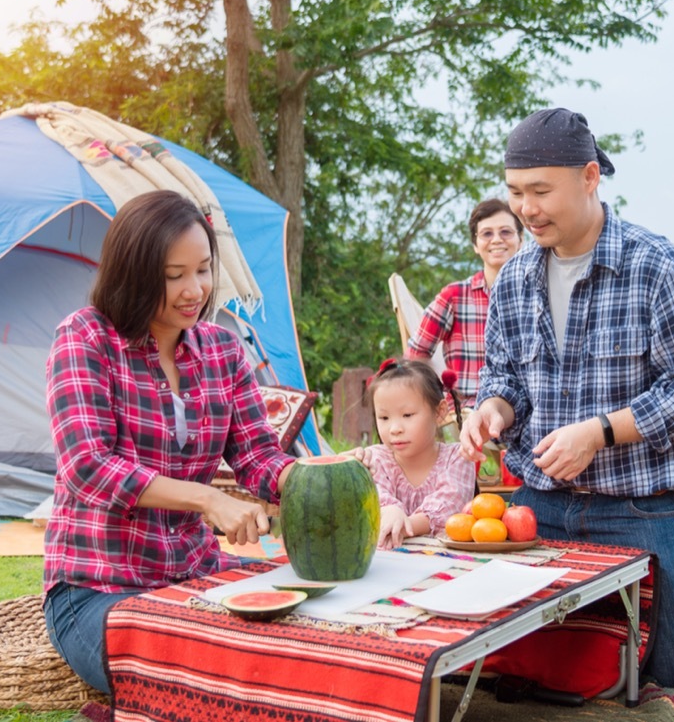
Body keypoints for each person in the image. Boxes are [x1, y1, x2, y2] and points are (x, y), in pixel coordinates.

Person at [459, 108, 674, 691]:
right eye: (514, 192)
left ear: (589, 178)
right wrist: (493, 411)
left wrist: (600, 433)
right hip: (542, 504)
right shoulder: (513, 278)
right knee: (524, 673)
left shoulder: (658, 267)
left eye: (540, 191)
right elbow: (503, 377)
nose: (525, 209)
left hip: (644, 506)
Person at [42, 191, 297, 695]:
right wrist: (206, 498)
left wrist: (314, 480)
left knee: (300, 637)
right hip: (97, 589)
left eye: (203, 270)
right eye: (172, 274)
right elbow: (87, 467)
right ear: (133, 271)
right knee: (199, 677)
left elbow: (256, 455)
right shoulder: (85, 337)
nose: (194, 289)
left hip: (195, 571)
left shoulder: (222, 350)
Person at [406, 198, 524, 404]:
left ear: (521, 239)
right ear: (475, 245)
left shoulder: (536, 295)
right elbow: (416, 354)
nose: (496, 239)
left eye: (505, 232)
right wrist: (443, 400)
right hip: (470, 410)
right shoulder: (454, 296)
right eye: (487, 233)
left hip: (525, 410)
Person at [350, 359, 477, 548]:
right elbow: (373, 498)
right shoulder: (375, 459)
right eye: (384, 417)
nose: (394, 428)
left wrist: (403, 524)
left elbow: (449, 507)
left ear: (439, 412)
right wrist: (388, 510)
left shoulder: (458, 458)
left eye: (407, 415)